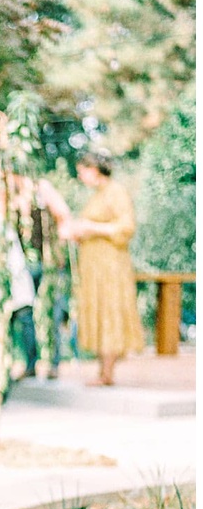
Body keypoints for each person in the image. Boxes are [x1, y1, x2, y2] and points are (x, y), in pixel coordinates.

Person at [38, 154, 144, 386]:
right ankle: (103, 371)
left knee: (109, 311)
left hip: (111, 266)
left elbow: (126, 227)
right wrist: (78, 232)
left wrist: (91, 227)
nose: (80, 175)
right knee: (99, 310)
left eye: (82, 171)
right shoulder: (98, 195)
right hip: (95, 266)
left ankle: (107, 372)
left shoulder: (116, 192)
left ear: (95, 169)